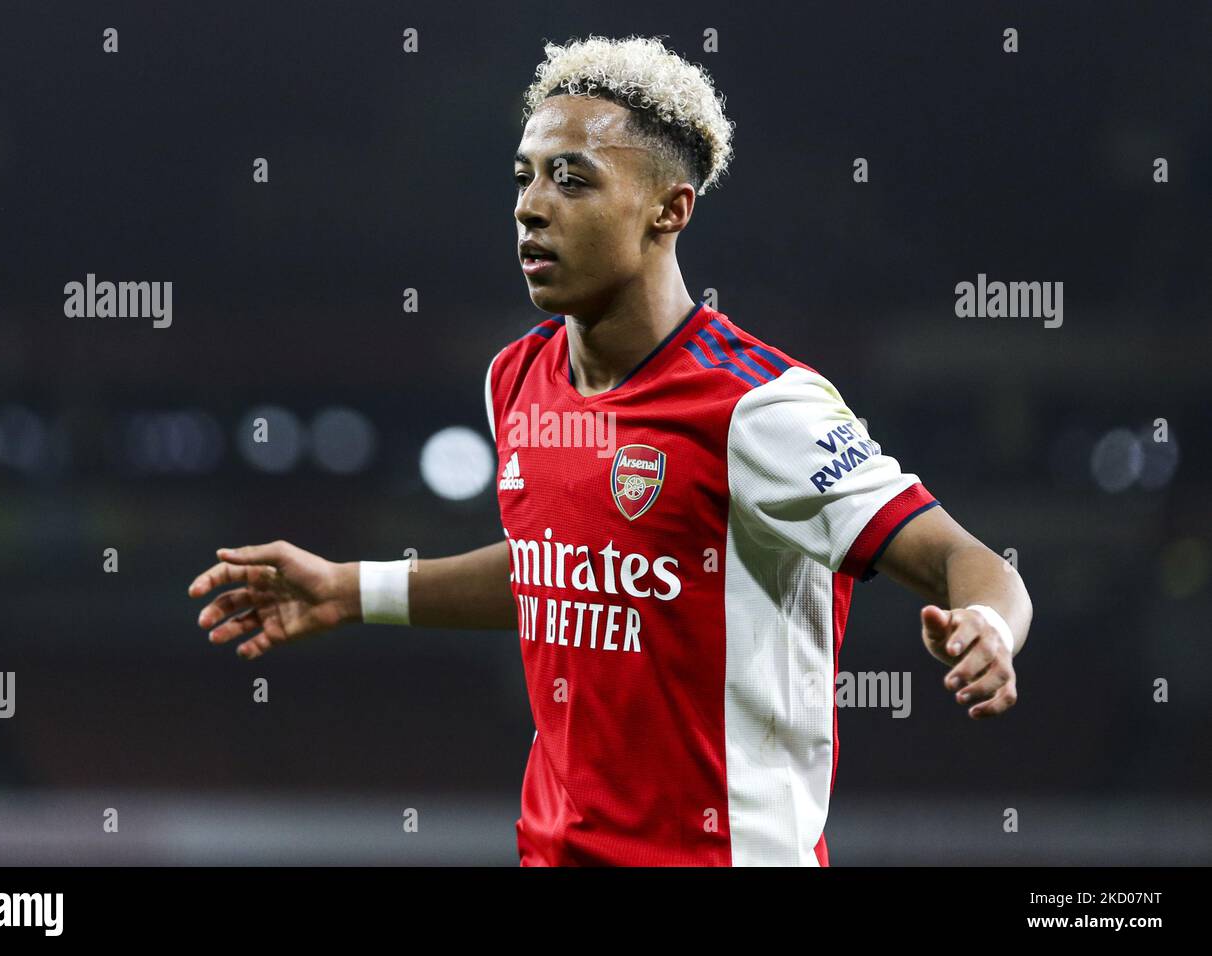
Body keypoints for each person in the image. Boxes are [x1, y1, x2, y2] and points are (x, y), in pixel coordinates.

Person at [188, 34, 1032, 866]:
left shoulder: (760, 408)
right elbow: (557, 570)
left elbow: (966, 559)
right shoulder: (516, 379)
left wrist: (988, 624)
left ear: (670, 209)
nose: (531, 204)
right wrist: (348, 588)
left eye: (573, 179)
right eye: (524, 178)